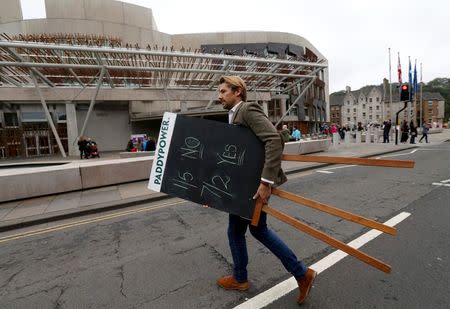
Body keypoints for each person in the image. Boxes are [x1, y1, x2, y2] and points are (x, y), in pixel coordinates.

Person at [215, 76, 316, 305]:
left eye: (223, 91)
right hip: (243, 188)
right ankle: (242, 277)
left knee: (256, 231)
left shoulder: (248, 110)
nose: (219, 96)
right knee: (241, 231)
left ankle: (302, 274)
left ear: (238, 91)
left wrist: (265, 183)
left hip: (253, 188)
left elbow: (272, 140)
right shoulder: (234, 115)